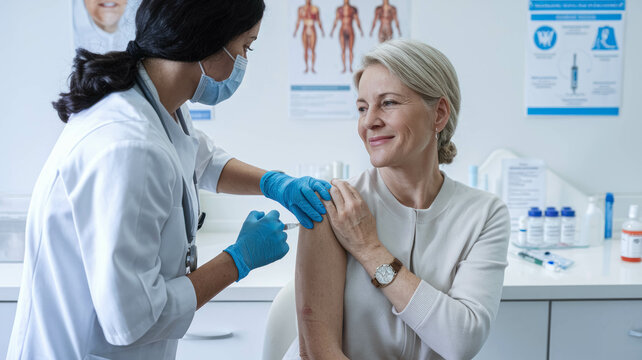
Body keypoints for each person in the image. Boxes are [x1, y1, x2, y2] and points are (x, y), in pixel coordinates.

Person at [7, 0, 332, 359]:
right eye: (245, 47)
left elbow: (199, 158)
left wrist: (275, 183)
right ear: (209, 41)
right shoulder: (130, 146)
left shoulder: (152, 104)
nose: (243, 62)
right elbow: (132, 322)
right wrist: (238, 259)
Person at [286, 39, 511, 359]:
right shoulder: (333, 206)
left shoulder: (484, 214)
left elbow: (461, 342)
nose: (369, 121)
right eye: (362, 108)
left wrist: (369, 249)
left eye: (388, 103)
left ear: (439, 114)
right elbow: (318, 354)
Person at [330, 0, 363, 73]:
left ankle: (350, 67)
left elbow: (357, 20)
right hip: (342, 29)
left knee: (350, 50)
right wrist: (332, 30)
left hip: (350, 29)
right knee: (343, 50)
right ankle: (344, 67)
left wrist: (360, 30)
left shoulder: (353, 9)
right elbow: (336, 20)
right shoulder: (339, 9)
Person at [293, 0, 325, 74]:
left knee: (313, 49)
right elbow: (298, 21)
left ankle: (312, 67)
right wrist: (295, 31)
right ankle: (307, 67)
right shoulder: (301, 9)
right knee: (305, 50)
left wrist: (322, 31)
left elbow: (318, 20)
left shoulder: (315, 9)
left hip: (312, 29)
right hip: (305, 29)